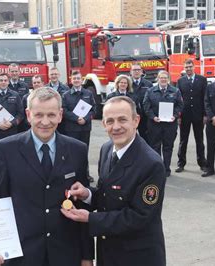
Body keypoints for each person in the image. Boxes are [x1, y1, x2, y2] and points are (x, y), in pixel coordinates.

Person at [0, 87, 93, 266]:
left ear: (60, 115)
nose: (45, 122)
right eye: (38, 115)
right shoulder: (6, 149)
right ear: (28, 115)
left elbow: (80, 205)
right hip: (23, 254)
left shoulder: (78, 150)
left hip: (65, 253)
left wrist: (87, 256)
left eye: (51, 115)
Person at [61, 96, 166, 266]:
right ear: (103, 124)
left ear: (136, 121)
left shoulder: (150, 163)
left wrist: (90, 218)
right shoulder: (107, 149)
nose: (116, 127)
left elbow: (140, 216)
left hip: (137, 256)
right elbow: (108, 195)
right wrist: (87, 194)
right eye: (110, 121)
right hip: (109, 251)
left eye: (122, 120)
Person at [143, 70, 184, 177]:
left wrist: (174, 116)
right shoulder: (150, 91)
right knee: (155, 147)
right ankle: (157, 169)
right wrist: (153, 117)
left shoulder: (175, 91)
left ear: (168, 79)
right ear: (158, 79)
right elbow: (146, 106)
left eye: (165, 77)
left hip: (170, 125)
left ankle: (166, 168)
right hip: (155, 124)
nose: (163, 79)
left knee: (168, 147)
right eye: (161, 77)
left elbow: (180, 105)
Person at [62, 70, 96, 182]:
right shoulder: (66, 95)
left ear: (82, 80)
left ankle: (85, 174)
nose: (76, 80)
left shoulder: (88, 94)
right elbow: (64, 111)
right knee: (72, 152)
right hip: (72, 129)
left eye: (78, 78)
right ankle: (73, 175)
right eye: (74, 78)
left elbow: (93, 109)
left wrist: (85, 119)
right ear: (71, 80)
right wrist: (76, 118)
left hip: (85, 128)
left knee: (84, 151)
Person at [176, 59, 208, 173]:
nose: (188, 69)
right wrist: (178, 116)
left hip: (198, 115)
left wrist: (205, 114)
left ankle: (202, 163)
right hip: (184, 115)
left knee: (199, 140)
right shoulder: (180, 81)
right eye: (186, 67)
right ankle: (181, 163)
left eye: (190, 66)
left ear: (194, 67)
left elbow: (205, 98)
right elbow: (178, 100)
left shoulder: (202, 80)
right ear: (184, 68)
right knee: (183, 141)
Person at [130, 62, 153, 142]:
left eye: (138, 70)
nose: (136, 72)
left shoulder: (148, 84)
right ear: (131, 72)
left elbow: (152, 100)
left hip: (145, 117)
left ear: (142, 71)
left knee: (146, 139)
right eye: (134, 70)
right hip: (131, 116)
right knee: (130, 139)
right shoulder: (127, 84)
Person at [47, 67, 70, 134]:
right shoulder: (45, 88)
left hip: (62, 119)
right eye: (52, 74)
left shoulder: (66, 88)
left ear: (59, 75)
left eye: (55, 74)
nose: (54, 76)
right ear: (49, 76)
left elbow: (68, 103)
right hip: (49, 117)